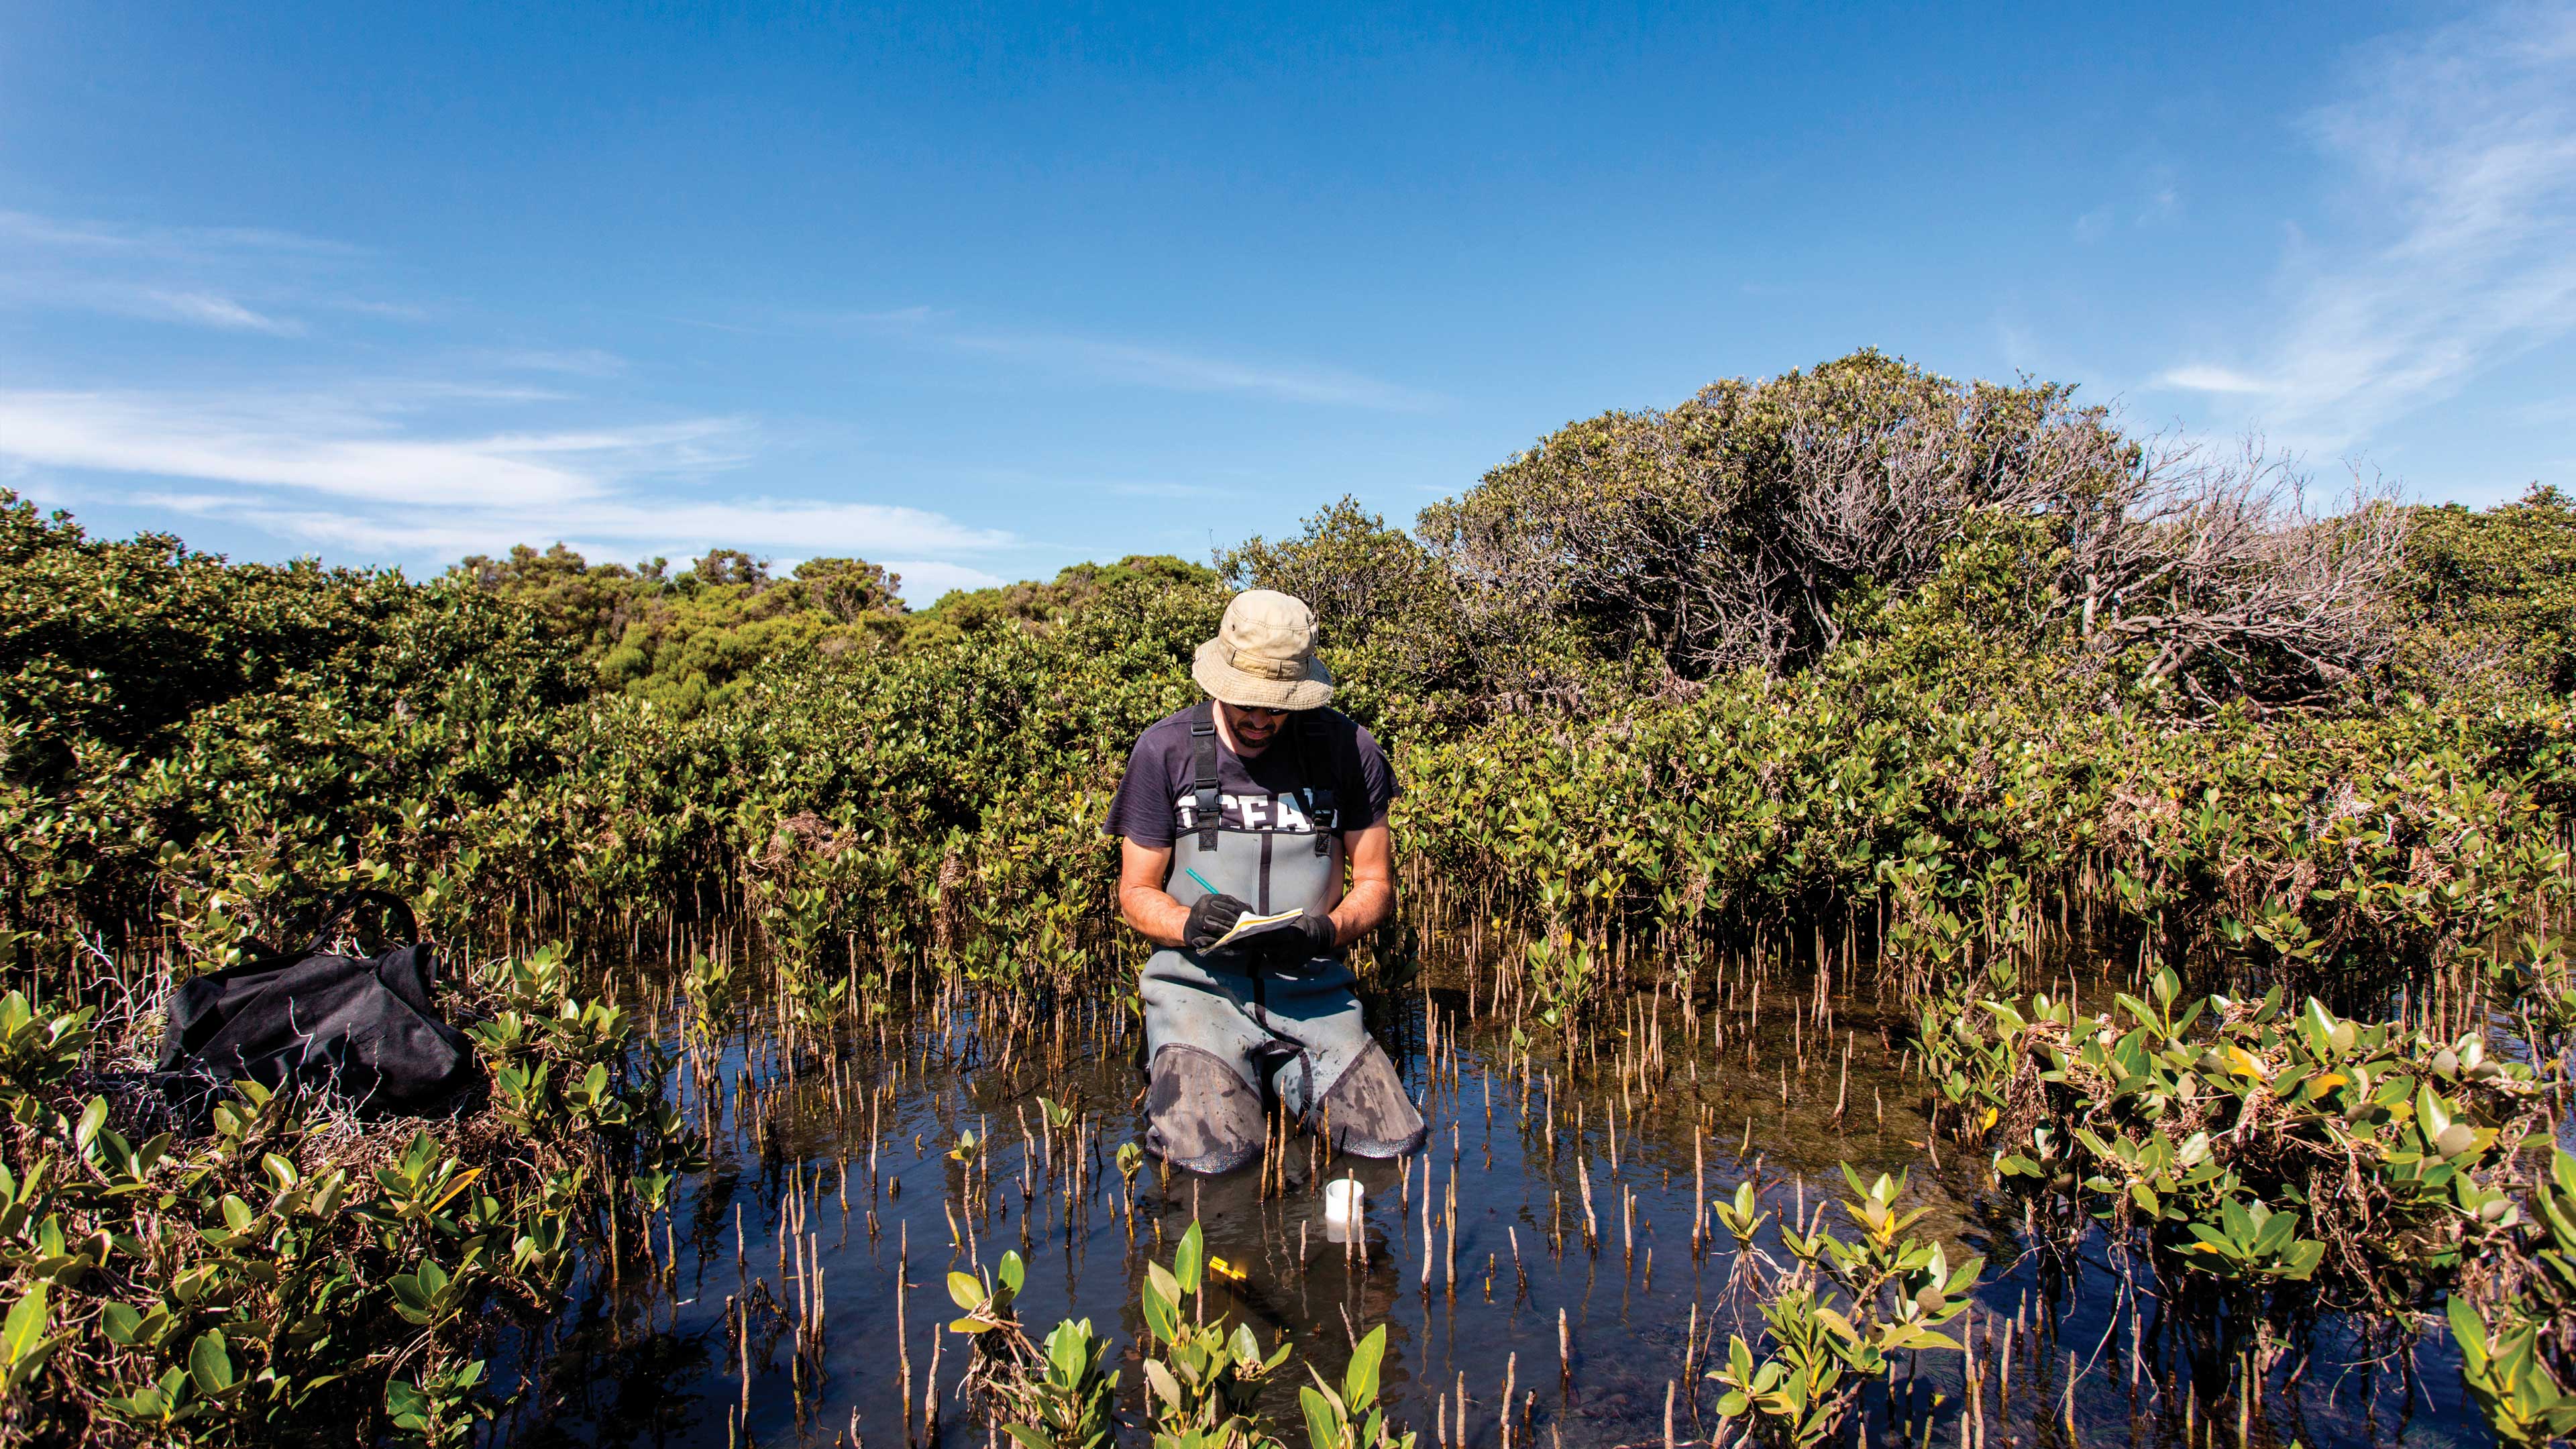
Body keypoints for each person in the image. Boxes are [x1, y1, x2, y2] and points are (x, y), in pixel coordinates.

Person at [1103, 588, 1427, 1174]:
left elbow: (1376, 882)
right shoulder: (1164, 751)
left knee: (1389, 1151)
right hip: (1197, 990)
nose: (1260, 719)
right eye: (1246, 703)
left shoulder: (1351, 752)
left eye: (1276, 706)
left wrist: (1325, 933)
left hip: (1315, 993)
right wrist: (1189, 923)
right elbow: (1135, 894)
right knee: (1211, 1165)